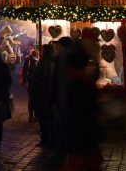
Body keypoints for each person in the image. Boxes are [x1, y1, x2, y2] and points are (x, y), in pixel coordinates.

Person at [59, 32, 102, 171]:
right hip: (78, 119)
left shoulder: (80, 58)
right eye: (93, 43)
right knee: (79, 158)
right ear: (86, 42)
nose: (95, 46)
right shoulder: (75, 59)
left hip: (81, 119)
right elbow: (76, 91)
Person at [32, 44, 56, 147]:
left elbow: (40, 79)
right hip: (50, 94)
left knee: (43, 118)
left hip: (42, 94)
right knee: (49, 118)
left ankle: (45, 139)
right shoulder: (54, 63)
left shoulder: (43, 63)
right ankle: (50, 139)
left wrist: (35, 89)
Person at [22, 48, 38, 121]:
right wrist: (26, 82)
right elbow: (25, 71)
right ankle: (31, 116)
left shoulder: (39, 59)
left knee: (36, 99)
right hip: (31, 82)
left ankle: (36, 116)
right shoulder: (29, 59)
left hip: (37, 83)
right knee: (32, 99)